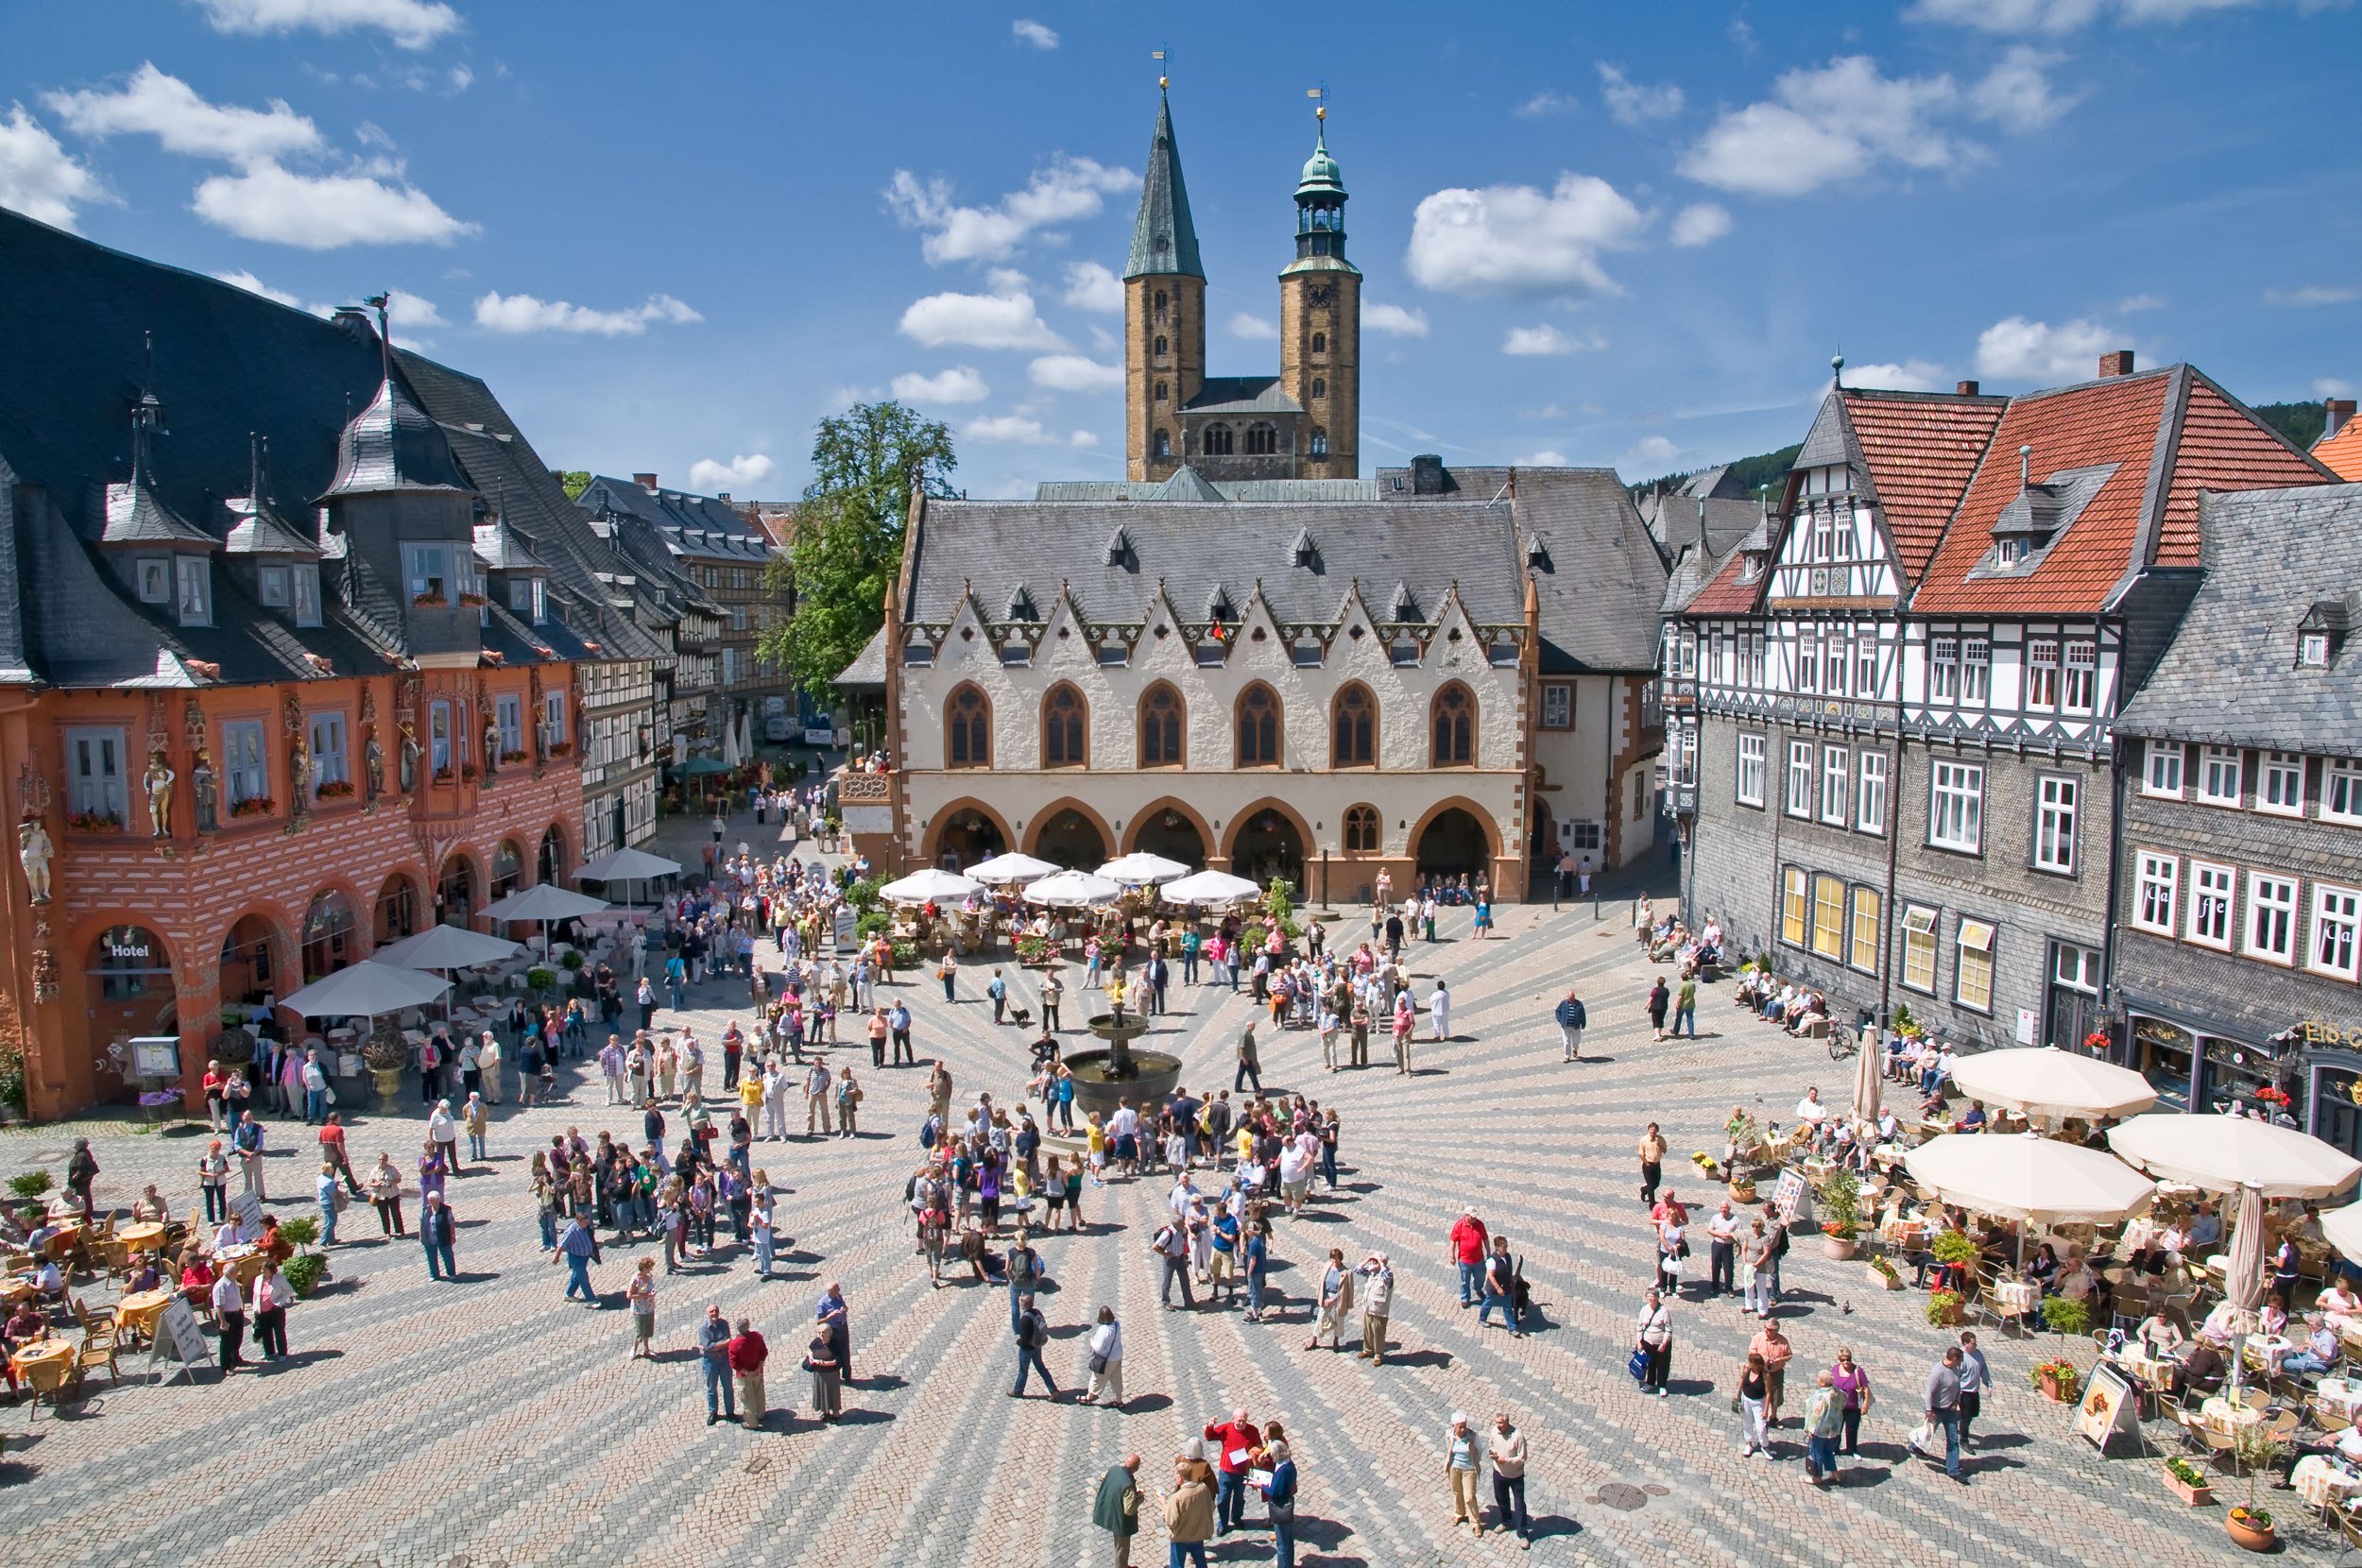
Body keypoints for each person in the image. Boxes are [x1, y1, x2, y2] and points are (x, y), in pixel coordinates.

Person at [1204, 1407, 1262, 1535]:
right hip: (1226, 1471)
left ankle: (1236, 1518)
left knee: (1239, 1498)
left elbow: (1259, 1446)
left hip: (1242, 1472)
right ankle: (1223, 1524)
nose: (1241, 1424)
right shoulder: (1226, 1429)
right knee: (1223, 1499)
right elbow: (1210, 1436)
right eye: (1239, 1421)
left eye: (1244, 1421)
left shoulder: (1253, 1431)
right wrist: (1210, 1426)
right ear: (1233, 1419)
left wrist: (1253, 1452)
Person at [1914, 1345, 1967, 1482]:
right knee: (1927, 1433)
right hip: (1936, 1410)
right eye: (1960, 1360)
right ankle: (1915, 1446)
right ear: (1954, 1359)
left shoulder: (1956, 1369)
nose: (1961, 1363)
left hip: (1950, 1411)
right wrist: (1928, 1410)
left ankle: (1953, 1469)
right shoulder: (1938, 1372)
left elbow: (1958, 1386)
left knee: (1953, 1439)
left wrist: (1957, 1401)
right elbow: (1929, 1392)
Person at [1160, 1452, 1216, 1568]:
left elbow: (1171, 1522)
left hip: (1181, 1537)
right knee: (1201, 1562)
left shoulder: (1177, 1497)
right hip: (1197, 1534)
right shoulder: (1203, 1488)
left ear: (1180, 1478)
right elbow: (1211, 1507)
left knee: (1177, 1564)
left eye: (1176, 1475)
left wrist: (1164, 1504)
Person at [1488, 1411, 1532, 1547]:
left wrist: (1506, 1460)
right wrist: (1493, 1453)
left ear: (1507, 1422)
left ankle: (1522, 1533)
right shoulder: (1494, 1431)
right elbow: (1491, 1444)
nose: (1498, 1425)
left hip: (1515, 1476)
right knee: (1501, 1498)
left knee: (1519, 1504)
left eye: (1500, 1423)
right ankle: (1506, 1521)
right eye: (1496, 1422)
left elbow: (1522, 1457)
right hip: (1499, 1472)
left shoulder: (1517, 1435)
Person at [1093, 1454, 1142, 1568]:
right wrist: (1139, 1499)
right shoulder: (1128, 1485)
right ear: (1136, 1467)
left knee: (1120, 1547)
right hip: (1120, 1521)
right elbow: (1129, 1510)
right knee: (1122, 1548)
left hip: (1107, 1511)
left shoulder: (1113, 1469)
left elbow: (1101, 1477)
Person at [1259, 1437, 1299, 1568]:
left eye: (1272, 1453)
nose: (1270, 1455)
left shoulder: (1282, 1471)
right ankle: (1287, 1563)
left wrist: (1262, 1485)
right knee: (1287, 1539)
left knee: (1282, 1542)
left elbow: (1274, 1492)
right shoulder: (1289, 1464)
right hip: (1287, 1503)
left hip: (1280, 1507)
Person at [1011, 1292, 1059, 1399]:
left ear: (1023, 1305)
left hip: (1027, 1349)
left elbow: (1025, 1339)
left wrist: (1019, 1342)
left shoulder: (1024, 1319)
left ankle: (1018, 1391)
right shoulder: (1037, 1312)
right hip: (1037, 1346)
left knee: (1023, 1370)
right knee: (1041, 1367)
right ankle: (1053, 1389)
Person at [1446, 1410, 1484, 1531]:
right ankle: (1459, 1513)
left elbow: (1479, 1449)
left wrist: (1475, 1462)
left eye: (1464, 1426)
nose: (1463, 1430)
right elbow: (1449, 1448)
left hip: (1469, 1469)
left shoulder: (1472, 1436)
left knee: (1469, 1497)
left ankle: (1475, 1523)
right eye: (1460, 1427)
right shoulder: (1449, 1435)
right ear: (1454, 1426)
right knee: (1457, 1492)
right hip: (1454, 1468)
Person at [697, 1303, 736, 1424]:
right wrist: (722, 1344)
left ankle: (730, 1412)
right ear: (707, 1314)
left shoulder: (724, 1324)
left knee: (728, 1388)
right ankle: (713, 1412)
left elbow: (727, 1340)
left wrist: (717, 1346)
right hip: (710, 1362)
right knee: (711, 1388)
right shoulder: (703, 1329)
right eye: (711, 1311)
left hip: (724, 1360)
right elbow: (708, 1346)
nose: (714, 1313)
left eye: (716, 1311)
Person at [1805, 1369, 1845, 1484]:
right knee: (1828, 1451)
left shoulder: (1821, 1396)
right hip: (1833, 1429)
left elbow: (1816, 1414)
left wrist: (1810, 1429)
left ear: (1822, 1382)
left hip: (1820, 1430)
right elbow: (1844, 1402)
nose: (1816, 1379)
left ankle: (1817, 1476)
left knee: (1816, 1452)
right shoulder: (1837, 1392)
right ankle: (1835, 1473)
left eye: (1818, 1378)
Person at [728, 1317, 769, 1430]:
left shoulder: (734, 1344)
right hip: (758, 1372)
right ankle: (761, 1414)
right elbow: (764, 1352)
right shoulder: (757, 1336)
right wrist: (758, 1368)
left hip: (744, 1376)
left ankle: (751, 1422)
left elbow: (733, 1363)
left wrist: (747, 1372)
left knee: (747, 1399)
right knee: (759, 1393)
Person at [1082, 1304, 1125, 1408]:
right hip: (1117, 1356)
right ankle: (1119, 1401)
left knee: (1096, 1378)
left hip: (1107, 1360)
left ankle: (1088, 1398)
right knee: (1117, 1378)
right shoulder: (1116, 1324)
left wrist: (1092, 1342)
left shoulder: (1103, 1330)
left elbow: (1099, 1348)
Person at [1481, 1235, 1523, 1337]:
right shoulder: (1492, 1260)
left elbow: (1508, 1271)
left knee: (1507, 1308)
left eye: (1506, 1247)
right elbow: (1491, 1275)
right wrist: (1498, 1288)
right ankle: (1482, 1318)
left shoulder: (1507, 1257)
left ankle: (1511, 1328)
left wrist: (1511, 1282)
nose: (1505, 1249)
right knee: (1488, 1303)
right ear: (1498, 1247)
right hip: (1494, 1288)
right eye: (1504, 1247)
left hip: (1507, 1287)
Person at [1956, 1330, 1991, 1453]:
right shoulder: (1960, 1357)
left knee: (1974, 1413)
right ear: (1966, 1343)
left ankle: (1957, 1419)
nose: (1975, 1345)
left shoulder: (1978, 1354)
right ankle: (1964, 1441)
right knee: (1966, 1417)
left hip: (1974, 1391)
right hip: (1964, 1392)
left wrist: (1988, 1384)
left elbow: (1983, 1369)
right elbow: (1955, 1377)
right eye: (1973, 1343)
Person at [1357, 1253, 1395, 1365]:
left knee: (1378, 1333)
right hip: (1368, 1307)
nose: (1374, 1263)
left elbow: (1387, 1278)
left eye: (1375, 1261)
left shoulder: (1388, 1273)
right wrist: (1368, 1259)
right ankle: (1367, 1350)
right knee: (1367, 1330)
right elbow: (1357, 1269)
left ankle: (1378, 1355)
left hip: (1379, 1310)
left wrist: (1381, 1264)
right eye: (1373, 1261)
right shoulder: (1371, 1271)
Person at [1635, 1286, 1672, 1398]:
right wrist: (1639, 1341)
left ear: (1657, 1298)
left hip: (1661, 1343)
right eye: (1648, 1297)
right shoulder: (1644, 1309)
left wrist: (1664, 1344)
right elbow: (1639, 1326)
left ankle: (1662, 1386)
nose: (1651, 1299)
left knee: (1662, 1364)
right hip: (1648, 1342)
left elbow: (1668, 1330)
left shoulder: (1663, 1311)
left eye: (1652, 1297)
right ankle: (1650, 1382)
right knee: (1650, 1363)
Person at [557, 1212, 601, 1304]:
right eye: (585, 1223)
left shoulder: (584, 1227)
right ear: (578, 1221)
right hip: (576, 1259)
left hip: (584, 1257)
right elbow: (561, 1246)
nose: (587, 1224)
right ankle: (591, 1300)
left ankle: (568, 1294)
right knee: (584, 1278)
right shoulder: (571, 1232)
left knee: (576, 1276)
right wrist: (556, 1258)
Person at [1450, 1207, 1490, 1307]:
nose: (1474, 1219)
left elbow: (1485, 1238)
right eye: (1472, 1217)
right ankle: (1465, 1298)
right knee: (1465, 1280)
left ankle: (1478, 1289)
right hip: (1464, 1260)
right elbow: (1453, 1241)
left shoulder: (1480, 1225)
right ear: (1466, 1216)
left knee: (1480, 1277)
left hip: (1479, 1259)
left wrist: (1488, 1252)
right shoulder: (1459, 1225)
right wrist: (1452, 1256)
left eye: (1475, 1217)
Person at [804, 1321, 843, 1422]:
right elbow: (810, 1350)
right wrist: (811, 1357)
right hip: (819, 1374)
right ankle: (825, 1412)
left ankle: (835, 1414)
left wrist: (823, 1363)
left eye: (824, 1332)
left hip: (831, 1374)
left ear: (829, 1333)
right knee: (822, 1393)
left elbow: (837, 1361)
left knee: (833, 1393)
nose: (821, 1334)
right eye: (820, 1332)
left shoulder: (834, 1344)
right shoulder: (816, 1342)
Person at [213, 1267, 248, 1372]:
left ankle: (236, 1359)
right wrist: (223, 1321)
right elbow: (219, 1306)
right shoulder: (221, 1286)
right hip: (227, 1316)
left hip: (237, 1313)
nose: (239, 1273)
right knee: (226, 1342)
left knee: (237, 1337)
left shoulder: (232, 1282)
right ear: (231, 1272)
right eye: (237, 1271)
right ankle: (226, 1366)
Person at [419, 1190, 456, 1281]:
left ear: (438, 1200)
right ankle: (434, 1274)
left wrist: (453, 1236)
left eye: (432, 1200)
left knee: (447, 1256)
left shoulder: (446, 1210)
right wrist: (421, 1236)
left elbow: (451, 1223)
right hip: (429, 1238)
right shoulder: (426, 1210)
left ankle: (451, 1273)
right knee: (431, 1257)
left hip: (443, 1237)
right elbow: (422, 1223)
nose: (430, 1202)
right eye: (429, 1200)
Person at [627, 1257, 658, 1358]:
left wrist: (652, 1292)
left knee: (648, 1330)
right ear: (644, 1268)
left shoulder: (649, 1277)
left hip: (649, 1307)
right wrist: (644, 1296)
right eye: (649, 1268)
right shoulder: (636, 1279)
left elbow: (650, 1288)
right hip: (639, 1309)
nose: (650, 1270)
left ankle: (646, 1349)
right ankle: (634, 1349)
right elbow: (629, 1295)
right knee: (640, 1331)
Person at [1638, 1122, 1667, 1208]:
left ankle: (1644, 1190)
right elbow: (1641, 1153)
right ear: (1649, 1130)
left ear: (1657, 1130)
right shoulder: (1644, 1139)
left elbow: (1665, 1151)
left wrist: (1659, 1145)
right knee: (1650, 1185)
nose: (1653, 1132)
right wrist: (1646, 1163)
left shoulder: (1660, 1139)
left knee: (1656, 1184)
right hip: (1648, 1165)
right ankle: (1652, 1204)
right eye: (1651, 1130)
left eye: (1654, 1130)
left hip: (1657, 1164)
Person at [1555, 989, 1586, 1063]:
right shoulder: (1563, 1003)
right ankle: (1567, 1056)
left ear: (1574, 997)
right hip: (1566, 1026)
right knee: (1566, 1042)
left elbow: (1582, 1014)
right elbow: (1557, 1011)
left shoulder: (1579, 1004)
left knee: (1576, 1040)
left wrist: (1583, 1023)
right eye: (1569, 998)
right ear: (1567, 997)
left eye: (1572, 998)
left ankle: (1575, 1049)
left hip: (1576, 1026)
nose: (1571, 1000)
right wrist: (1560, 1020)